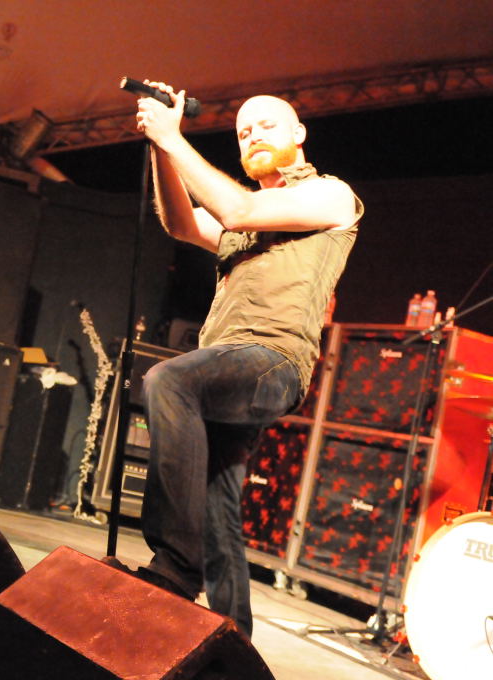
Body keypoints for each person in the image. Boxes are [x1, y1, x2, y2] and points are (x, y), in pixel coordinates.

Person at [129, 83, 363, 637]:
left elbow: (236, 209)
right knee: (217, 506)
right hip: (226, 362)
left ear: (299, 133)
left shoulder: (330, 195)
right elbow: (181, 224)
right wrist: (162, 146)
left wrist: (172, 138)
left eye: (266, 125)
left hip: (273, 361)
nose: (253, 135)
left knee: (168, 381)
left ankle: (175, 566)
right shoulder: (249, 216)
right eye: (243, 132)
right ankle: (234, 647)